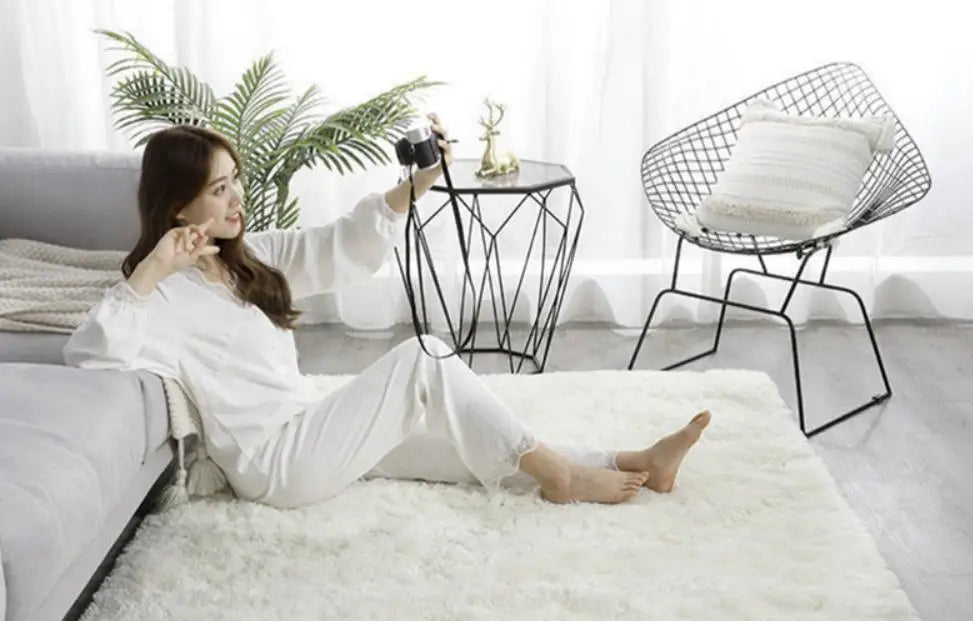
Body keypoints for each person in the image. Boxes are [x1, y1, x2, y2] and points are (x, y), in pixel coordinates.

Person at [64, 119, 711, 509]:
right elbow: (92, 355)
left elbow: (340, 245)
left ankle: (631, 461)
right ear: (177, 205)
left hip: (311, 425)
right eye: (218, 188)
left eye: (236, 179)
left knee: (460, 440)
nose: (237, 198)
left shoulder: (247, 257)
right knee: (424, 359)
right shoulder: (161, 295)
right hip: (277, 464)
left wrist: (421, 180)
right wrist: (150, 271)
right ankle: (564, 478)